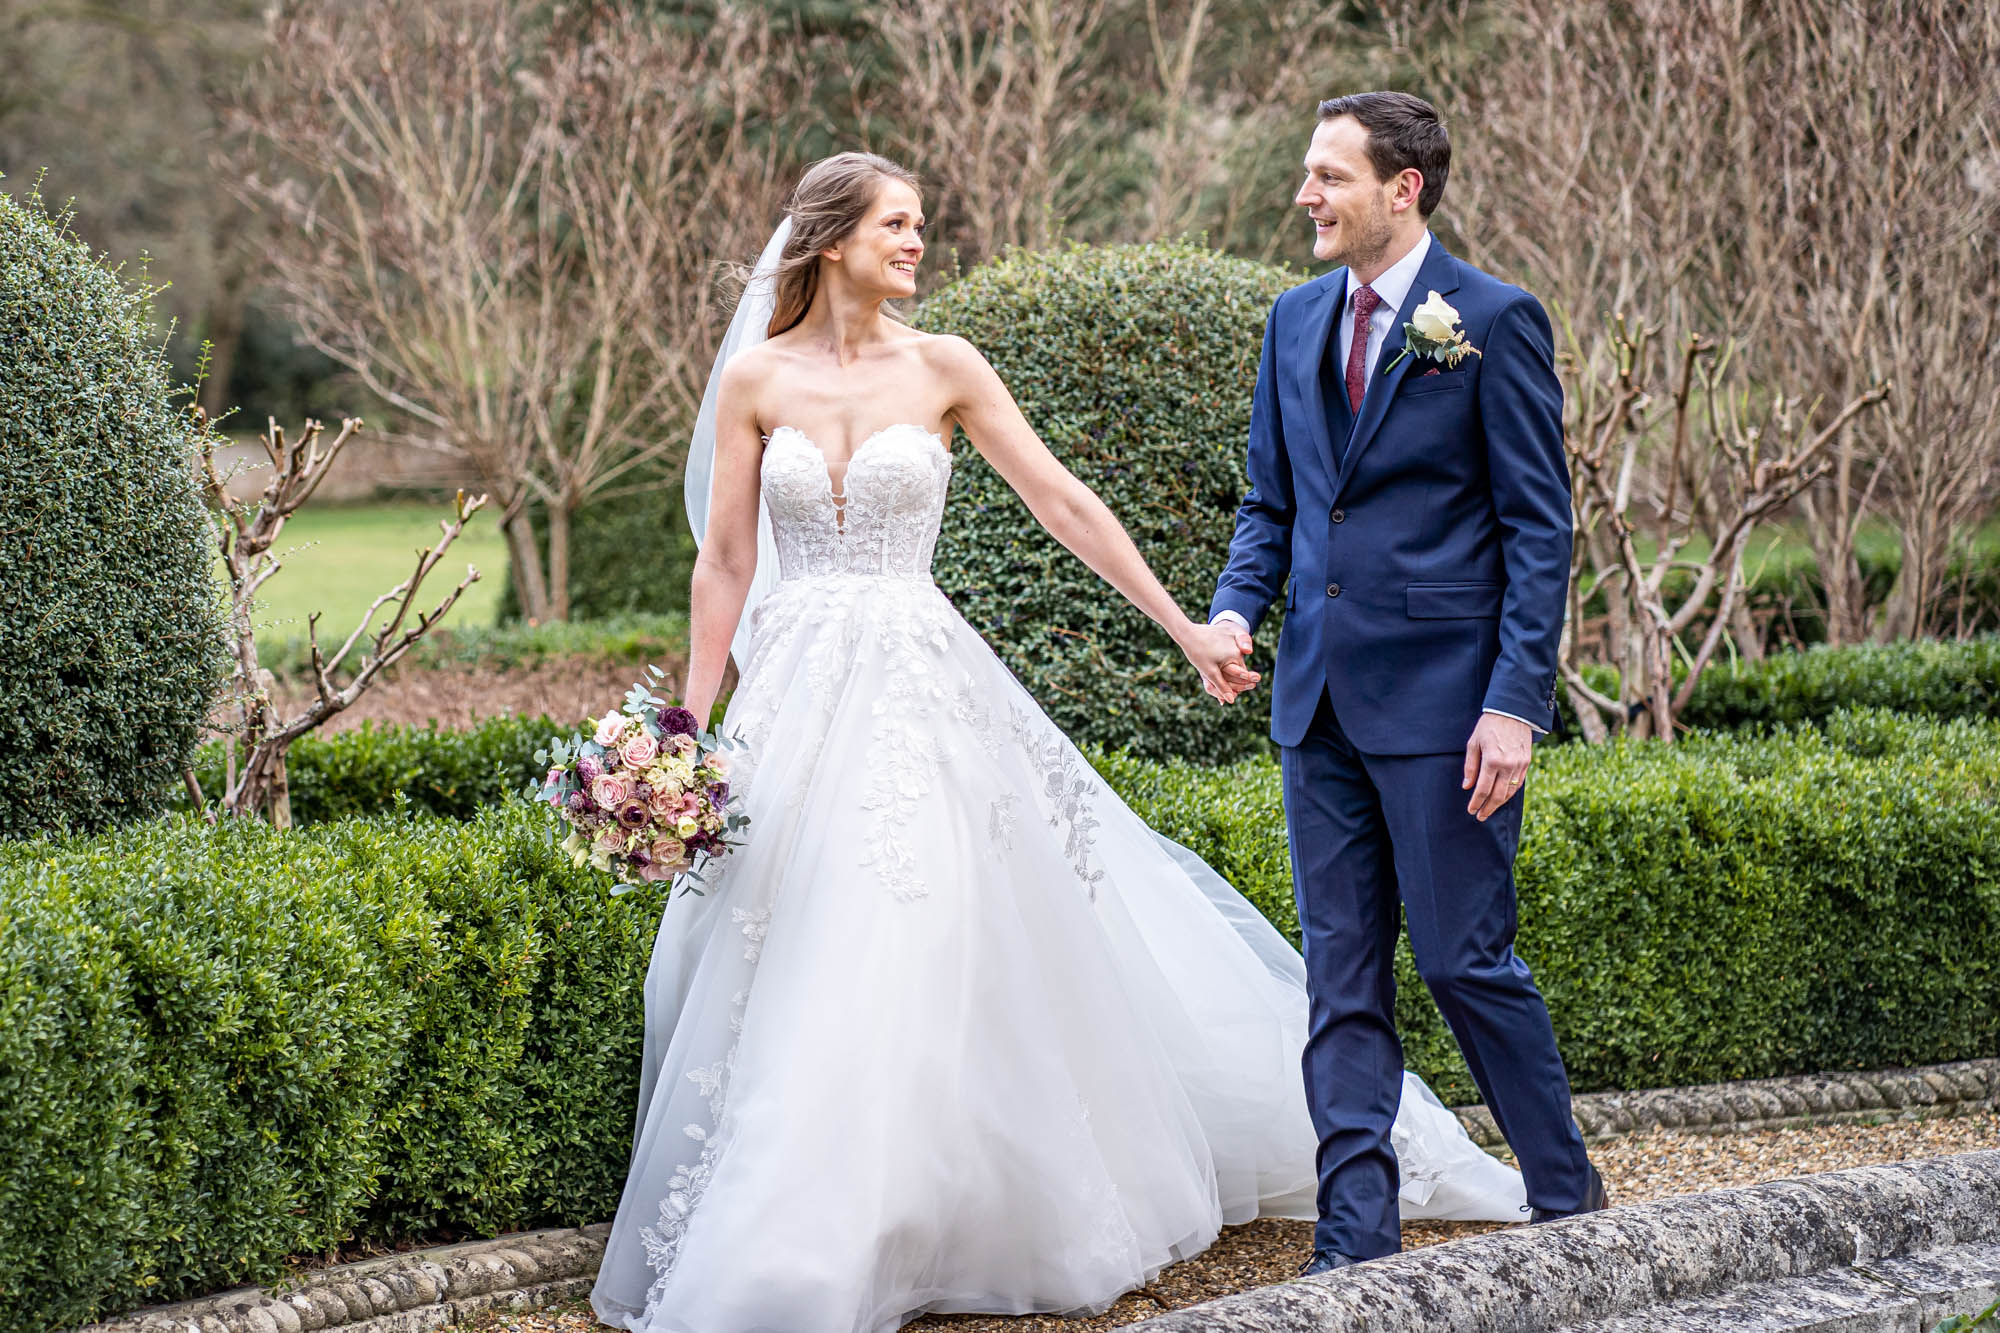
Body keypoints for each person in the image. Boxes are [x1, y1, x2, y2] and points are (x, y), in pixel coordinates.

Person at [588, 150, 1524, 1333]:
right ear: (829, 241)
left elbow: (1062, 501)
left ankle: (911, 1217)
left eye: (919, 223)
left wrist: (1185, 627)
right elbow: (724, 560)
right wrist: (684, 731)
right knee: (786, 943)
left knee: (907, 929)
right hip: (790, 696)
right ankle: (800, 1231)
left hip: (917, 692)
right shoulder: (755, 379)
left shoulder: (944, 366)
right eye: (895, 225)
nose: (917, 242)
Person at [1206, 93, 1608, 1277]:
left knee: (1460, 960)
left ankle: (1567, 1196)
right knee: (1338, 982)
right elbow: (1272, 502)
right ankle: (1353, 1243)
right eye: (1307, 173)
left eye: (1328, 175)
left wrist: (1512, 704)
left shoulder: (1490, 319)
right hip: (1315, 704)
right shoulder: (1291, 319)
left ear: (1402, 188)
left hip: (1446, 707)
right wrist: (1233, 608)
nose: (1305, 195)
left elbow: (1537, 528)